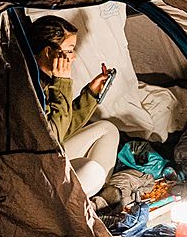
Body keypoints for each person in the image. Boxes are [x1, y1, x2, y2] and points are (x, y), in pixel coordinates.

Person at [28, 15, 138, 212]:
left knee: (108, 129)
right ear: (48, 52)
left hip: (55, 152)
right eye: (69, 50)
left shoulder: (47, 78)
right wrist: (62, 83)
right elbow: (51, 137)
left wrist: (90, 94)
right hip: (37, 170)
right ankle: (79, 205)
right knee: (91, 170)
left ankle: (96, 198)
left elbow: (66, 127)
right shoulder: (28, 85)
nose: (74, 56)